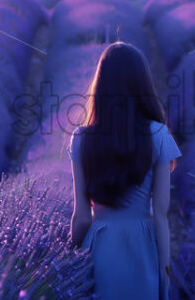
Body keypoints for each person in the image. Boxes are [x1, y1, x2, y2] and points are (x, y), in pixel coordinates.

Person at [67, 41, 182, 300]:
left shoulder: (81, 138)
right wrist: (164, 273)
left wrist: (67, 262)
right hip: (142, 249)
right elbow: (161, 215)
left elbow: (82, 217)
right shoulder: (159, 134)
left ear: (101, 84)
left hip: (99, 247)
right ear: (141, 84)